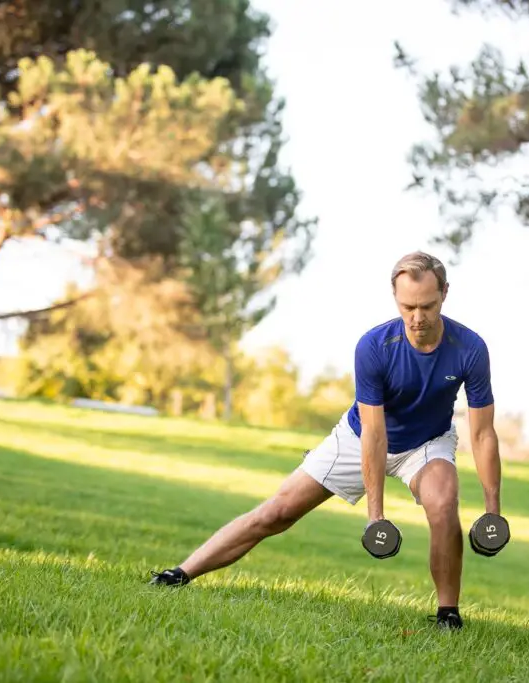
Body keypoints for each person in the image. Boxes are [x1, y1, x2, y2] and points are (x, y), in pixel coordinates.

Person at [148, 251, 502, 630]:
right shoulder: (374, 347)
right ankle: (180, 574)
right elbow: (374, 434)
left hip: (427, 441)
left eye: (427, 306)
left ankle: (448, 614)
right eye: (408, 306)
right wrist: (375, 516)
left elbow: (481, 434)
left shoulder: (470, 349)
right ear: (395, 298)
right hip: (359, 437)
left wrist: (493, 510)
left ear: (445, 293)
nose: (417, 318)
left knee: (443, 502)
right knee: (277, 512)